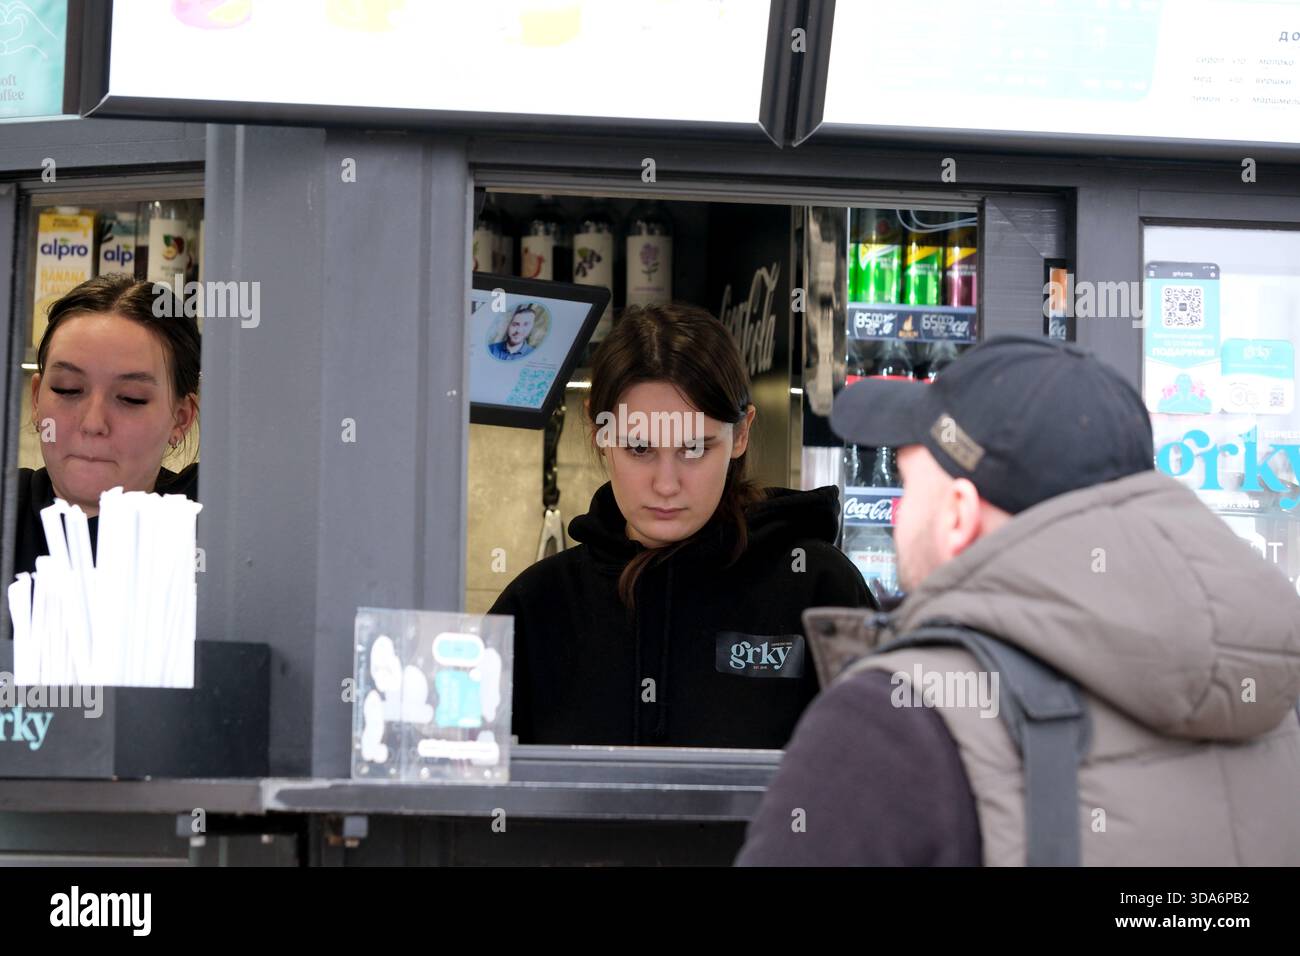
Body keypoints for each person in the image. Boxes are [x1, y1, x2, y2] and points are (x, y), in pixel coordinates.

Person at [737, 335, 1300, 865]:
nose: (899, 514)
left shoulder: (895, 722)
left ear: (957, 516)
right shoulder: (1272, 704)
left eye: (910, 488)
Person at [489, 304, 875, 748]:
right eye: (639, 448)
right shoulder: (537, 606)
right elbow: (467, 796)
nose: (666, 484)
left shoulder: (819, 590)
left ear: (741, 433)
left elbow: (889, 785)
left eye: (694, 448)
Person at [15, 275, 200, 575]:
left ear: (180, 419)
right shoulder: (8, 505)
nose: (93, 423)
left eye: (131, 398)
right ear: (36, 400)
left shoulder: (217, 521)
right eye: (68, 389)